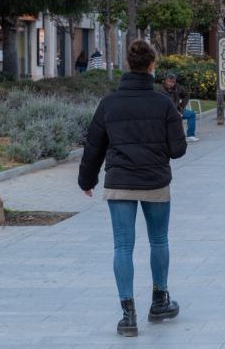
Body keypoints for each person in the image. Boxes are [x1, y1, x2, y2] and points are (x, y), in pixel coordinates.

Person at [77, 40, 186, 338]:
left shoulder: (108, 103)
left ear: (127, 64)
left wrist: (86, 180)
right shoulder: (163, 102)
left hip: (120, 182)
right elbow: (178, 150)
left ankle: (128, 316)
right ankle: (159, 300)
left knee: (122, 247)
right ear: (152, 67)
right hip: (154, 181)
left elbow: (93, 146)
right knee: (159, 241)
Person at [159, 73, 199, 142]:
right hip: (165, 112)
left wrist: (181, 106)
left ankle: (190, 135)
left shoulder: (177, 87)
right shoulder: (160, 90)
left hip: (178, 110)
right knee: (175, 119)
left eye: (173, 82)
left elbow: (186, 95)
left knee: (191, 114)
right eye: (169, 81)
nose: (171, 84)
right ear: (165, 80)